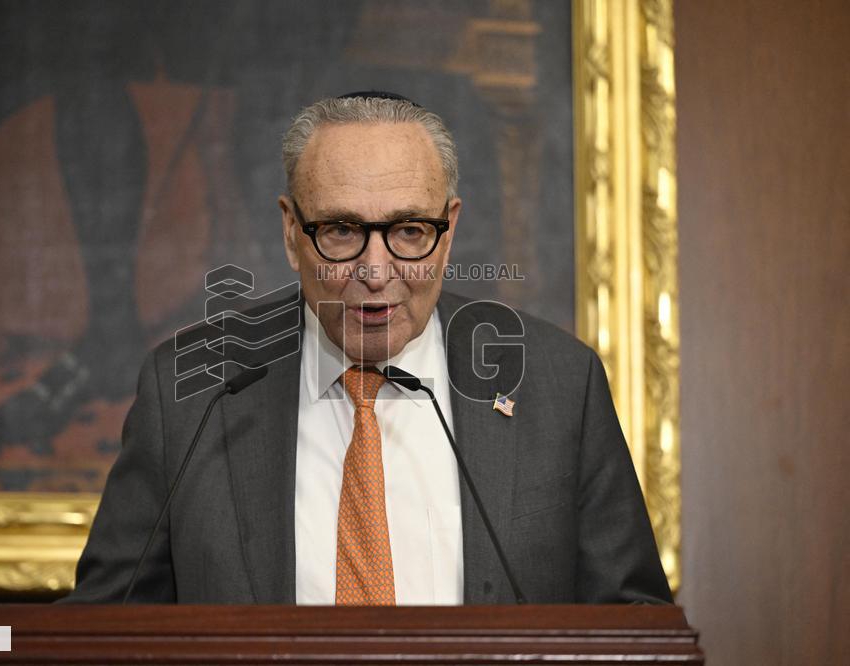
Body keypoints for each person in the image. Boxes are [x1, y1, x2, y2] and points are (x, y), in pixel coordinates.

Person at [62, 92, 672, 605]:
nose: (375, 270)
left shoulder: (557, 384)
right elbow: (101, 629)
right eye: (342, 230)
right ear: (291, 232)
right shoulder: (190, 388)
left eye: (410, 230)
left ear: (449, 228)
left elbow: (634, 628)